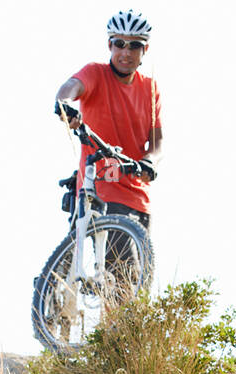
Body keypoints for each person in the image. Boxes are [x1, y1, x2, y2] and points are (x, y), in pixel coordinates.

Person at [54, 9, 163, 230]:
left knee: (135, 265)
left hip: (137, 198)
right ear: (109, 45)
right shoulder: (95, 73)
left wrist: (150, 161)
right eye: (119, 44)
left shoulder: (150, 89)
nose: (126, 52)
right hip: (98, 191)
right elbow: (70, 88)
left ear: (145, 49)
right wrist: (64, 105)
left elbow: (157, 142)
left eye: (134, 45)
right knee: (110, 260)